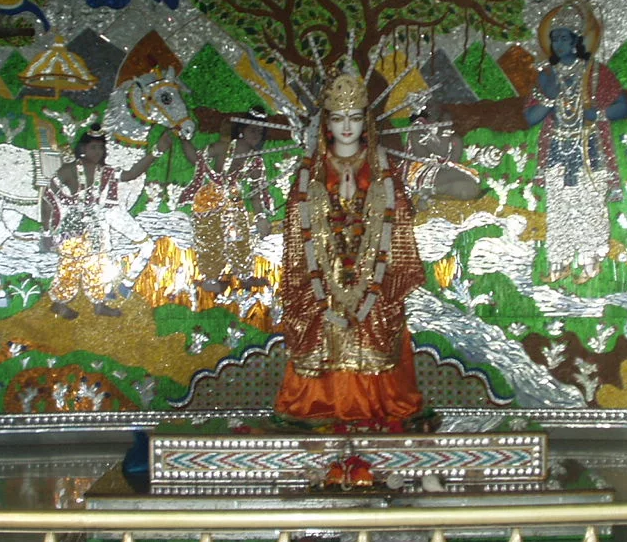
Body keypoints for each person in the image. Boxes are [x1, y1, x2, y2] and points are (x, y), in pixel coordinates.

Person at [274, 72, 426, 426]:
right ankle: (319, 403)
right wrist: (326, 205)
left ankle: (375, 405)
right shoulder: (311, 171)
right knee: (322, 324)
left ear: (365, 122)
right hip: (322, 275)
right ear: (327, 124)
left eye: (355, 118)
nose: (347, 127)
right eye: (339, 118)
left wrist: (365, 204)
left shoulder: (381, 168)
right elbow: (297, 226)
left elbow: (397, 219)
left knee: (373, 324)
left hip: (371, 274)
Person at [524, 0, 627, 283]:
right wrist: (550, 97)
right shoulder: (547, 77)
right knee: (559, 206)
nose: (558, 44)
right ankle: (559, 262)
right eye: (554, 38)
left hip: (589, 145)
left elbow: (622, 108)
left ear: (576, 40)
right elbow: (531, 117)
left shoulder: (596, 72)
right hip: (557, 147)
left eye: (563, 37)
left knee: (589, 203)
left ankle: (590, 261)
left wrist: (598, 114)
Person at [41, 124, 172, 320]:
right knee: (71, 264)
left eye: (101, 148)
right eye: (93, 147)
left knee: (98, 263)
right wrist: (46, 232)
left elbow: (131, 174)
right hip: (73, 227)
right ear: (83, 149)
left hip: (96, 228)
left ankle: (99, 303)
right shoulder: (69, 170)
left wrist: (156, 151)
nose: (97, 152)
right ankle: (59, 303)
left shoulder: (106, 172)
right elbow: (48, 198)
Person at [179, 107, 272, 296]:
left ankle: (244, 275)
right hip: (210, 199)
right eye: (253, 129)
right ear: (242, 130)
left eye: (260, 132)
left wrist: (261, 217)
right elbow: (197, 160)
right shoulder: (224, 147)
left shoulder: (256, 161)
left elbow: (256, 193)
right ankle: (211, 279)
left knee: (241, 236)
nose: (256, 135)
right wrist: (183, 139)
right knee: (211, 239)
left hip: (234, 200)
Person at [403, 100, 483, 207]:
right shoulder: (418, 130)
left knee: (473, 184)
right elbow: (441, 152)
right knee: (466, 179)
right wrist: (446, 130)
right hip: (422, 172)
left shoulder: (438, 129)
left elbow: (452, 159)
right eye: (430, 106)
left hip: (441, 169)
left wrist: (450, 136)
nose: (435, 109)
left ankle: (432, 191)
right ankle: (427, 193)